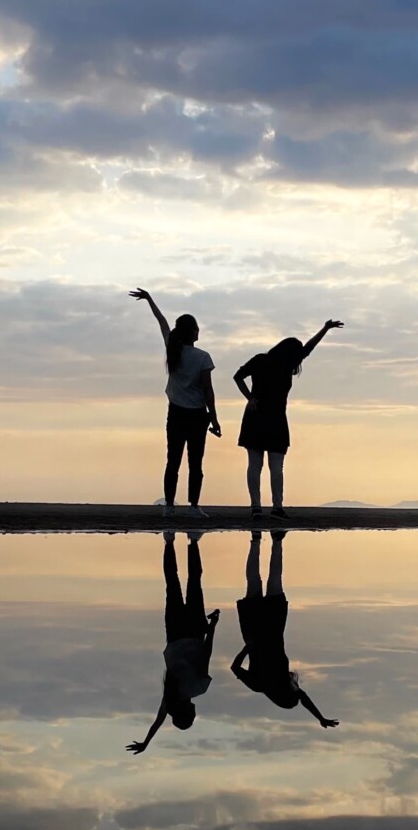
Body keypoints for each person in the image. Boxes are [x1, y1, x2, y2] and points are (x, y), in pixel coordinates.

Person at [231, 529, 339, 729]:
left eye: (295, 687)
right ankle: (263, 541)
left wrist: (248, 648)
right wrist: (320, 718)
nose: (297, 685)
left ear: (285, 690)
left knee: (265, 580)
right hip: (264, 628)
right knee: (260, 581)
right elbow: (303, 698)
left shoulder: (260, 684)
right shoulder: (261, 686)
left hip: (263, 628)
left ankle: (270, 541)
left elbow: (234, 668)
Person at [234, 319, 343, 518]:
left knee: (254, 465)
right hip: (276, 419)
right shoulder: (286, 365)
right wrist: (325, 329)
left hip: (255, 415)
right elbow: (309, 348)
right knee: (276, 467)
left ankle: (256, 507)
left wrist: (250, 397)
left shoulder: (260, 360)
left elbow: (238, 376)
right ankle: (277, 507)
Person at [130, 288, 221, 515]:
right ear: (192, 331)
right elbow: (208, 391)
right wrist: (215, 419)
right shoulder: (202, 357)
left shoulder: (173, 348)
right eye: (197, 328)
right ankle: (193, 506)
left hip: (176, 413)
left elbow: (161, 321)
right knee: (195, 463)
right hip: (198, 415)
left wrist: (149, 299)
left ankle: (169, 507)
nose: (199, 331)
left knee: (173, 461)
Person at [128, 531, 220, 753]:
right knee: (172, 583)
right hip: (175, 634)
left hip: (195, 631)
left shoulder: (199, 687)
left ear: (189, 712)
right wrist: (145, 743)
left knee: (194, 582)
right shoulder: (170, 697)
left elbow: (207, 653)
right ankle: (169, 541)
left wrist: (213, 627)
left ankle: (193, 542)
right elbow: (158, 721)